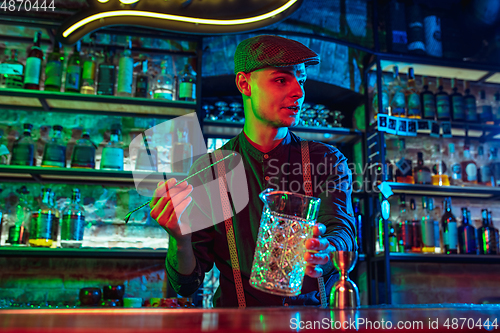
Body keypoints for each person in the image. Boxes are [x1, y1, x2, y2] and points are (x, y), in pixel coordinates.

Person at [150, 35, 357, 307]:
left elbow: (342, 231)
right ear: (244, 84)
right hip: (235, 324)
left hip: (313, 322)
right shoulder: (211, 170)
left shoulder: (327, 160)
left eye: (302, 80)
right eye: (281, 79)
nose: (299, 92)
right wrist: (180, 240)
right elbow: (186, 283)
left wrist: (326, 249)